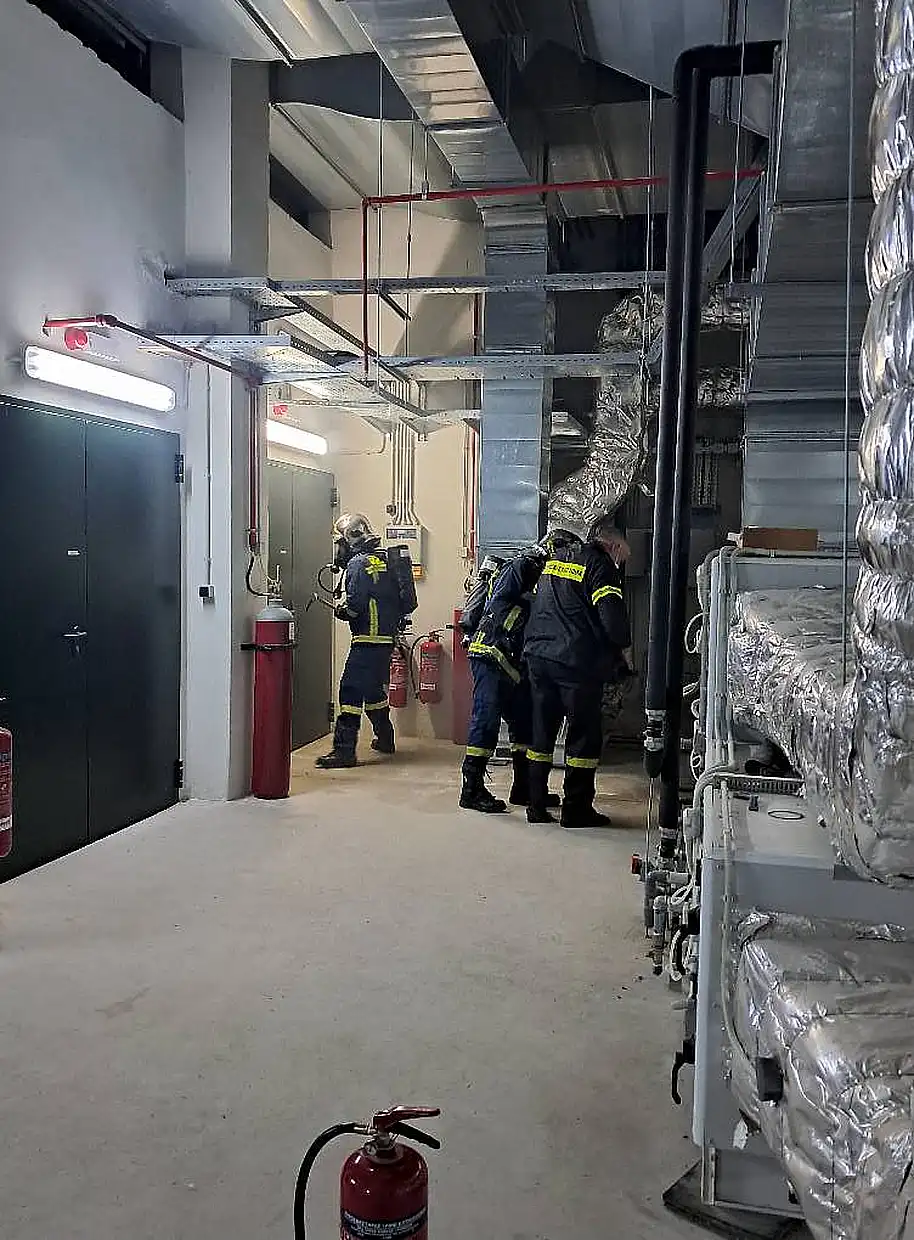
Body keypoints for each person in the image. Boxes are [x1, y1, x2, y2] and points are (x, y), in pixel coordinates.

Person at [459, 532, 580, 814]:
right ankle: (471, 789)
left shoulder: (542, 575)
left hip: (515, 663)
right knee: (486, 719)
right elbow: (499, 602)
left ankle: (523, 788)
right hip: (492, 654)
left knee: (524, 724)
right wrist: (533, 612)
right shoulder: (522, 565)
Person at [523, 515, 632, 828]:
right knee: (583, 737)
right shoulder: (601, 566)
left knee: (542, 732)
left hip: (539, 656)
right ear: (613, 546)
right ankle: (576, 809)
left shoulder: (557, 559)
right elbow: (613, 621)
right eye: (624, 555)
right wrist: (623, 652)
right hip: (575, 662)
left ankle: (535, 804)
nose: (622, 562)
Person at [316, 513, 406, 770]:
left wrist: (342, 612)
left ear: (350, 539)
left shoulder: (357, 564)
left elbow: (355, 607)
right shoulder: (383, 560)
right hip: (385, 640)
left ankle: (344, 751)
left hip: (367, 639)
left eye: (340, 543)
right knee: (373, 691)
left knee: (350, 691)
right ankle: (385, 739)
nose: (338, 550)